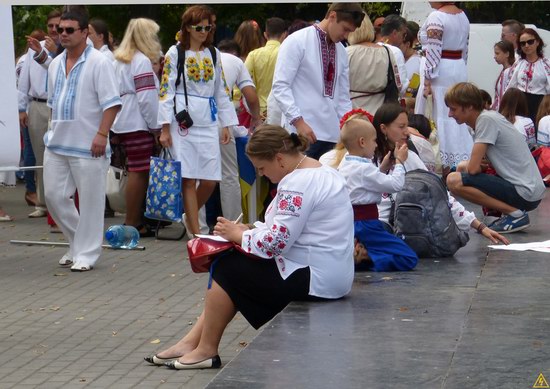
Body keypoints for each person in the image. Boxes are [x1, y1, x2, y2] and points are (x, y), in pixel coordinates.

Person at [144, 125, 354, 369]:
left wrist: (238, 235)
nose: (263, 175)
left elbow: (276, 243)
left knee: (227, 267)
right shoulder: (321, 171)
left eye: (262, 169)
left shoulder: (298, 183)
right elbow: (289, 229)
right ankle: (193, 342)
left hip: (315, 278)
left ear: (279, 158)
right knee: (234, 264)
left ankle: (205, 349)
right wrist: (248, 231)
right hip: (331, 273)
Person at [44, 10, 121, 271]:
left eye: (69, 30)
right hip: (56, 143)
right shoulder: (55, 63)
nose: (62, 34)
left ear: (84, 32)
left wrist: (101, 134)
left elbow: (112, 104)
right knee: (54, 196)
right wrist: (50, 132)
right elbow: (53, 104)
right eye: (59, 29)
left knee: (91, 201)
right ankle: (78, 244)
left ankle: (86, 254)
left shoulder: (100, 62)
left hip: (89, 144)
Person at [373, 103, 508, 244]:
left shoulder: (410, 157)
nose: (406, 132)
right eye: (401, 127)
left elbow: (438, 192)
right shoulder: (368, 158)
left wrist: (479, 226)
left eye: (406, 126)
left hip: (395, 228)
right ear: (383, 128)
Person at [158, 5, 238, 236]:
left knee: (211, 179)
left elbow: (221, 90)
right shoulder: (175, 53)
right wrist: (164, 128)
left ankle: (188, 214)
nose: (204, 31)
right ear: (187, 28)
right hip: (183, 122)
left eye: (207, 27)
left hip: (208, 120)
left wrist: (225, 124)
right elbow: (166, 91)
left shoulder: (213, 53)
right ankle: (195, 233)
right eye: (199, 27)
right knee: (189, 178)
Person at [445, 83, 545, 234]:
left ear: (469, 106)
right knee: (461, 170)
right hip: (529, 190)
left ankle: (516, 214)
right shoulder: (486, 119)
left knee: (453, 180)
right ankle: (511, 212)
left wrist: (474, 166)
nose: (450, 114)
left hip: (525, 192)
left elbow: (473, 169)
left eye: (453, 109)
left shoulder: (485, 121)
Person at [272, 2, 363, 159]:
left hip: (333, 136)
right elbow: (280, 86)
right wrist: (299, 122)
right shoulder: (297, 41)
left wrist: (348, 127)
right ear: (332, 16)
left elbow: (342, 96)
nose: (346, 36)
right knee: (300, 181)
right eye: (345, 29)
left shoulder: (341, 51)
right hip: (301, 134)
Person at [338, 115, 418, 272]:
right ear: (362, 142)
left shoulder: (346, 164)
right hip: (366, 224)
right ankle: (366, 258)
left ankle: (357, 255)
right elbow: (395, 184)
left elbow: (366, 185)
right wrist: (400, 162)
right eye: (374, 140)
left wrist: (382, 168)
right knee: (408, 257)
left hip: (349, 223)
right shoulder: (364, 169)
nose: (376, 145)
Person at [112, 18, 162, 237]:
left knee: (133, 170)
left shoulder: (119, 60)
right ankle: (132, 221)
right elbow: (147, 99)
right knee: (139, 172)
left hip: (121, 119)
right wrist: (156, 127)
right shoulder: (141, 60)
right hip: (137, 122)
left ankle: (134, 219)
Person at [415, 1, 472, 175]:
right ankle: (460, 157)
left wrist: (427, 80)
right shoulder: (463, 16)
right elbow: (465, 49)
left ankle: (442, 161)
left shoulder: (436, 17)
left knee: (439, 111)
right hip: (458, 67)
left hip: (440, 71)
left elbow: (433, 51)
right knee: (454, 112)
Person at [18, 9, 61, 219]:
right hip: (36, 105)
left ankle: (58, 203)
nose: (54, 30)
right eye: (51, 26)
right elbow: (23, 80)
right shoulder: (36, 47)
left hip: (57, 108)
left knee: (57, 156)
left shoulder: (66, 49)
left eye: (58, 26)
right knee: (40, 155)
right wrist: (21, 109)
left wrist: (54, 53)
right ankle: (43, 203)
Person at [346, 13, 400, 114]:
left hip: (352, 112)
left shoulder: (347, 53)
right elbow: (398, 84)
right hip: (380, 113)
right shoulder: (387, 52)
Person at [506, 28, 550, 132]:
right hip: (520, 102)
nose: (527, 46)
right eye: (523, 43)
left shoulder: (546, 64)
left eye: (530, 42)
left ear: (537, 42)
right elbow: (510, 85)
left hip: (539, 103)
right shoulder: (518, 63)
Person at [245, 17, 287, 119]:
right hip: (281, 110)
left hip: (258, 111)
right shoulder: (286, 54)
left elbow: (243, 81)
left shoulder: (253, 55)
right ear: (285, 34)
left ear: (265, 34)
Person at [377, 14, 409, 97]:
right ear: (395, 33)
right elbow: (401, 86)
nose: (404, 38)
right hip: (388, 102)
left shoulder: (371, 48)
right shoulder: (395, 51)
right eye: (404, 34)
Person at [491, 40, 515, 111]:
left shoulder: (508, 72)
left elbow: (503, 95)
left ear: (507, 54)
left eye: (497, 53)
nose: (494, 57)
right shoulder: (505, 71)